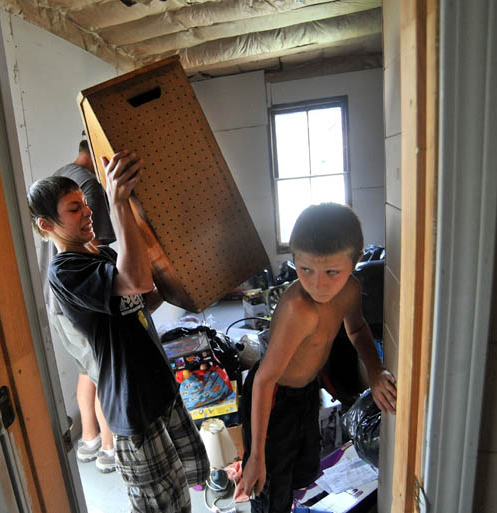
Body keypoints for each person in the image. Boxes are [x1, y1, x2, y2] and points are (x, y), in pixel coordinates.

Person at [28, 150, 209, 513]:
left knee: (183, 490)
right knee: (161, 507)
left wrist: (182, 280)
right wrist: (118, 202)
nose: (87, 212)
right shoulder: (66, 272)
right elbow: (136, 280)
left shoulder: (102, 255)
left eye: (85, 204)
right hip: (134, 409)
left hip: (162, 391)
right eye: (74, 208)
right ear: (47, 225)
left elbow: (140, 302)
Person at [234, 203, 397, 513]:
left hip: (306, 391)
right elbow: (265, 379)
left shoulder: (350, 289)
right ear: (294, 260)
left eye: (331, 272)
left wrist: (375, 372)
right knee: (268, 482)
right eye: (305, 269)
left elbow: (358, 329)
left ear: (355, 262)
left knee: (304, 469)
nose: (318, 284)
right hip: (273, 395)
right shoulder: (299, 307)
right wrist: (255, 455)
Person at [37, 140, 117, 472]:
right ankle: (110, 448)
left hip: (54, 299)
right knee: (106, 372)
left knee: (89, 368)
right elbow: (94, 252)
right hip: (80, 298)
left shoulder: (61, 177)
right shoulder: (89, 188)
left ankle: (88, 439)